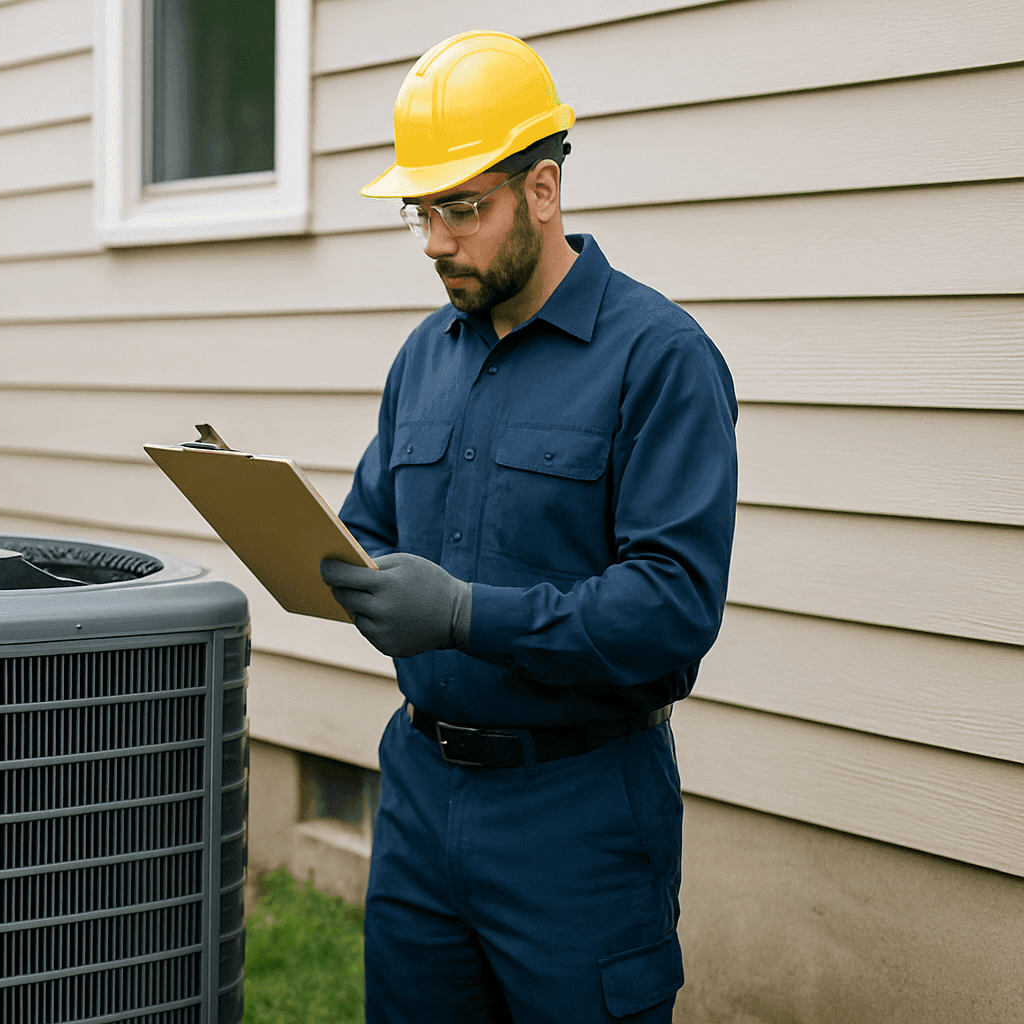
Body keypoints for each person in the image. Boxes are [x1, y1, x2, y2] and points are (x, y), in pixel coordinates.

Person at [318, 30, 738, 1024]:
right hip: (420, 793)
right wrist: (351, 567)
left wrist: (464, 613)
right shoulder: (425, 354)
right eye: (423, 212)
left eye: (464, 209)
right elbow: (371, 521)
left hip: (577, 807)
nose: (435, 241)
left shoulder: (661, 358)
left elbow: (672, 607)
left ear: (543, 191)